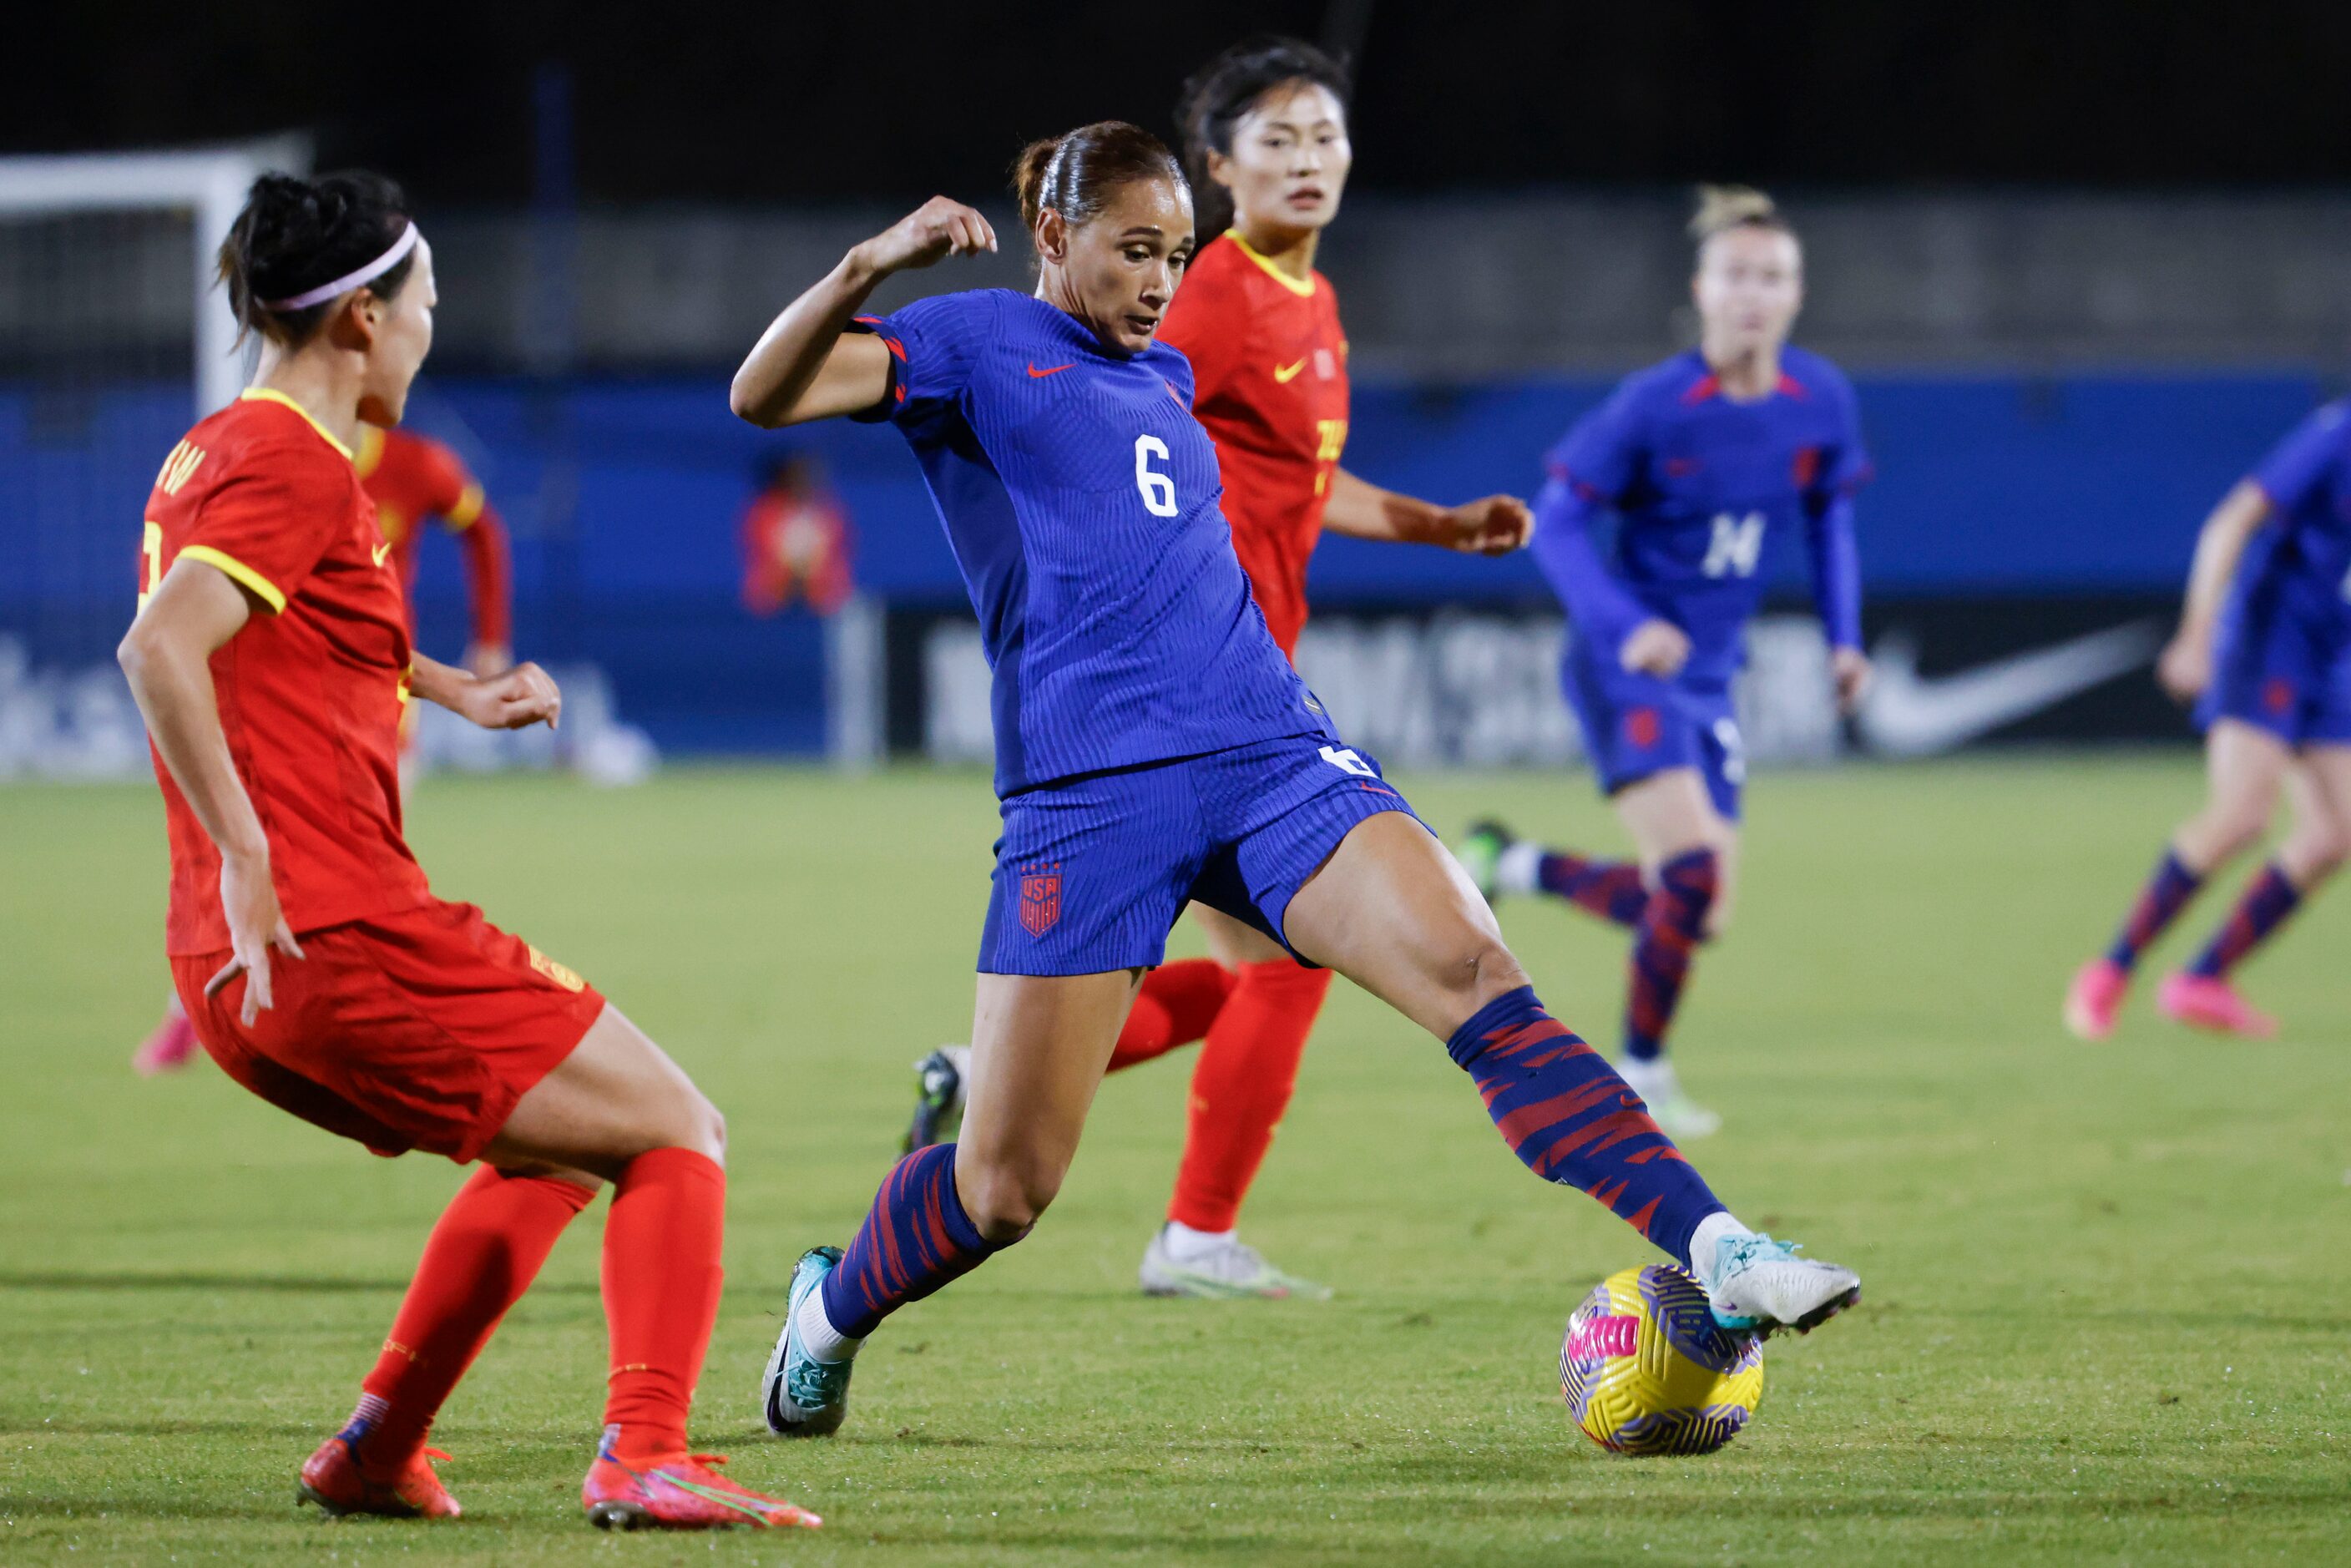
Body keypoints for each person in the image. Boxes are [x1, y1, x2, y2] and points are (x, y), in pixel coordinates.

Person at [728, 123, 1861, 1441]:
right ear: (1054, 236)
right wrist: (870, 263)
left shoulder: (1167, 384)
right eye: (1133, 251)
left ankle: (1719, 1242)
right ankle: (830, 1307)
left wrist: (1430, 523)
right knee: (1005, 1186)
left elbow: (1295, 484)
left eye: (1177, 254)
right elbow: (765, 395)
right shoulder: (976, 343)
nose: (1160, 282)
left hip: (1269, 749)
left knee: (1474, 970)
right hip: (1090, 790)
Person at [121, 169, 817, 1532]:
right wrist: (252, 850)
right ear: (362, 322)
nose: (434, 329)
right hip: (335, 933)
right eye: (426, 302)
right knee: (680, 1127)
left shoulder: (218, 448)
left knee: (556, 1150)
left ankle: (379, 1445)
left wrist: (452, 690)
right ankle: (646, 1449)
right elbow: (163, 647)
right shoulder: (291, 460)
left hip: (239, 967)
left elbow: (294, 629)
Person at [897, 37, 1533, 1302]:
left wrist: (1435, 525)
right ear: (1218, 167)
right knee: (1285, 970)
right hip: (1177, 698)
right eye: (1277, 140)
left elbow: (1302, 476)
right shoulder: (1212, 297)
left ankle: (991, 1081)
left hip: (1247, 687)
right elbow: (1089, 403)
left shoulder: (1311, 304)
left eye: (1327, 138)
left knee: (1236, 966)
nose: (1307, 160)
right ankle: (1190, 1231)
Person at [1456, 186, 1873, 1138]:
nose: (1752, 295)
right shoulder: (1653, 405)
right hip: (1623, 665)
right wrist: (1623, 622)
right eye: (1735, 275)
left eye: (1771, 277)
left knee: (1699, 911)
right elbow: (1552, 522)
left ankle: (1508, 862)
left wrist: (1843, 637)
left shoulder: (1819, 400)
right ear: (1702, 288)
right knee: (1687, 873)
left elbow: (1829, 518)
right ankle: (1637, 1073)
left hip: (1708, 676)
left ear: (1795, 293)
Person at [133, 422, 513, 1075]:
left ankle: (366, 1029)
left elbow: (483, 530)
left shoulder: (416, 465)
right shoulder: (273, 464)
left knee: (367, 882)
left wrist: (491, 640)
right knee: (236, 861)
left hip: (377, 714)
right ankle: (193, 1013)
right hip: (283, 717)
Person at [2063, 402, 2351, 1039]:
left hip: (2331, 654)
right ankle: (2110, 971)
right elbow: (2230, 522)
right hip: (2269, 639)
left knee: (2337, 835)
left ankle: (2203, 979)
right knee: (2244, 814)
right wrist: (2198, 636)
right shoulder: (2337, 436)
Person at [740, 450, 856, 616]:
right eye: (794, 477)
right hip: (772, 603)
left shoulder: (828, 512)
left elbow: (837, 556)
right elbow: (761, 556)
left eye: (804, 476)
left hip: (822, 604)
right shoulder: (763, 513)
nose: (800, 482)